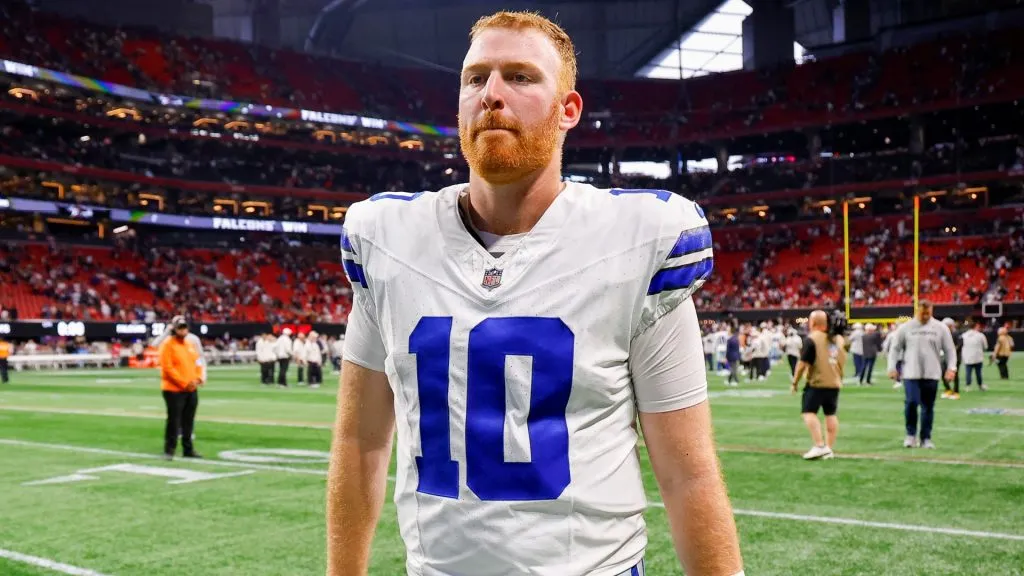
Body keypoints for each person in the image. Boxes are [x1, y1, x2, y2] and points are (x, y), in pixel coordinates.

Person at [326, 10, 744, 576]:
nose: (492, 94)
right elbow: (360, 442)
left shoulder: (636, 239)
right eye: (476, 78)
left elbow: (686, 471)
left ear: (569, 109)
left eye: (520, 77)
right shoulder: (386, 240)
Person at [886, 301, 957, 449]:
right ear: (916, 311)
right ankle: (910, 435)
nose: (925, 316)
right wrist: (892, 367)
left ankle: (926, 438)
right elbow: (895, 349)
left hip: (932, 373)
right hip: (911, 373)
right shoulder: (906, 328)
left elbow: (950, 349)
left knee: (928, 407)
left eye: (928, 313)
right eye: (923, 313)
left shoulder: (940, 328)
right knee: (911, 402)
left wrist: (951, 368)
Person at [790, 310, 846, 460]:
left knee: (808, 412)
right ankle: (828, 448)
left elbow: (802, 364)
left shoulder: (812, 339)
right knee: (831, 414)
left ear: (813, 323)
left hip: (817, 381)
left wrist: (795, 382)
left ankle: (819, 445)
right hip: (834, 382)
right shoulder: (837, 339)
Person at [158, 319, 203, 460]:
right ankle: (169, 450)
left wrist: (198, 378)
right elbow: (168, 368)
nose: (183, 331)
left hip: (191, 388)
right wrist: (184, 383)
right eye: (180, 328)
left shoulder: (190, 345)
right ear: (174, 329)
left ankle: (188, 449)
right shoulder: (167, 345)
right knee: (174, 421)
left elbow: (198, 362)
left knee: (189, 420)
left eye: (185, 328)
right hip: (174, 390)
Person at [960, 322, 988, 391]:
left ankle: (968, 386)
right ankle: (980, 385)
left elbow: (960, 346)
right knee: (978, 372)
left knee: (968, 372)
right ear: (976, 326)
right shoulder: (980, 335)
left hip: (967, 357)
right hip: (978, 357)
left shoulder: (964, 335)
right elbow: (985, 346)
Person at [940, 318, 963, 400]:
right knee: (942, 373)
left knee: (955, 374)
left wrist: (951, 352)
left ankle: (956, 391)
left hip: (956, 358)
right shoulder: (943, 334)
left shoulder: (957, 333)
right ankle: (948, 389)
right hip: (944, 357)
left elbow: (960, 344)